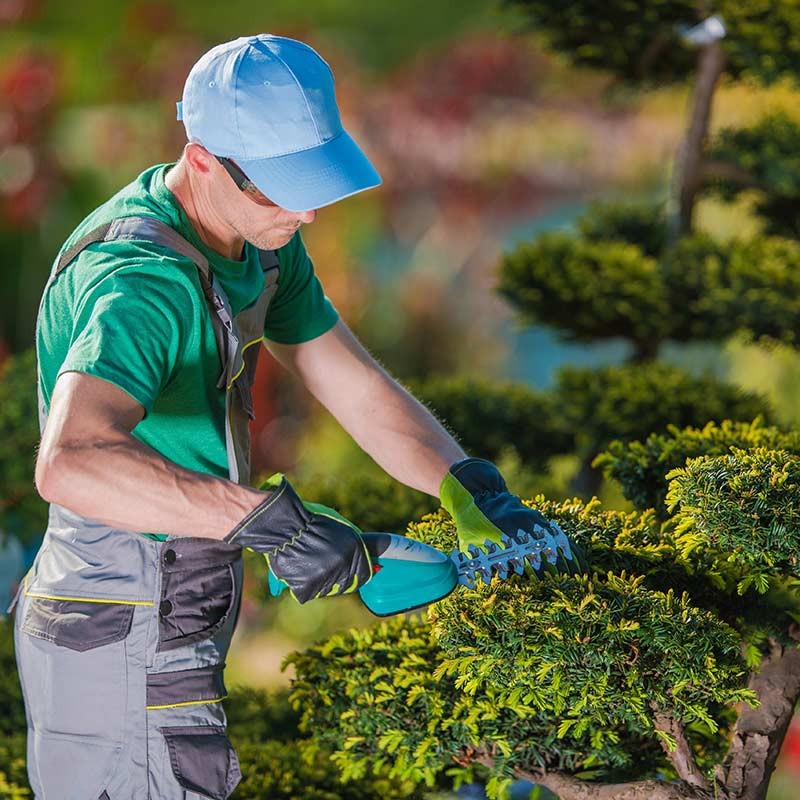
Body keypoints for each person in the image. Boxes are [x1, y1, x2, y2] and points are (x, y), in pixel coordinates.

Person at [11, 34, 583, 799]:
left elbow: (348, 382)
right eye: (279, 187)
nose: (307, 208)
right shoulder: (141, 285)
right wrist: (273, 524)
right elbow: (72, 462)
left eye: (312, 179)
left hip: (178, 592)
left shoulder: (259, 242)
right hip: (115, 615)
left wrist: (467, 486)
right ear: (204, 158)